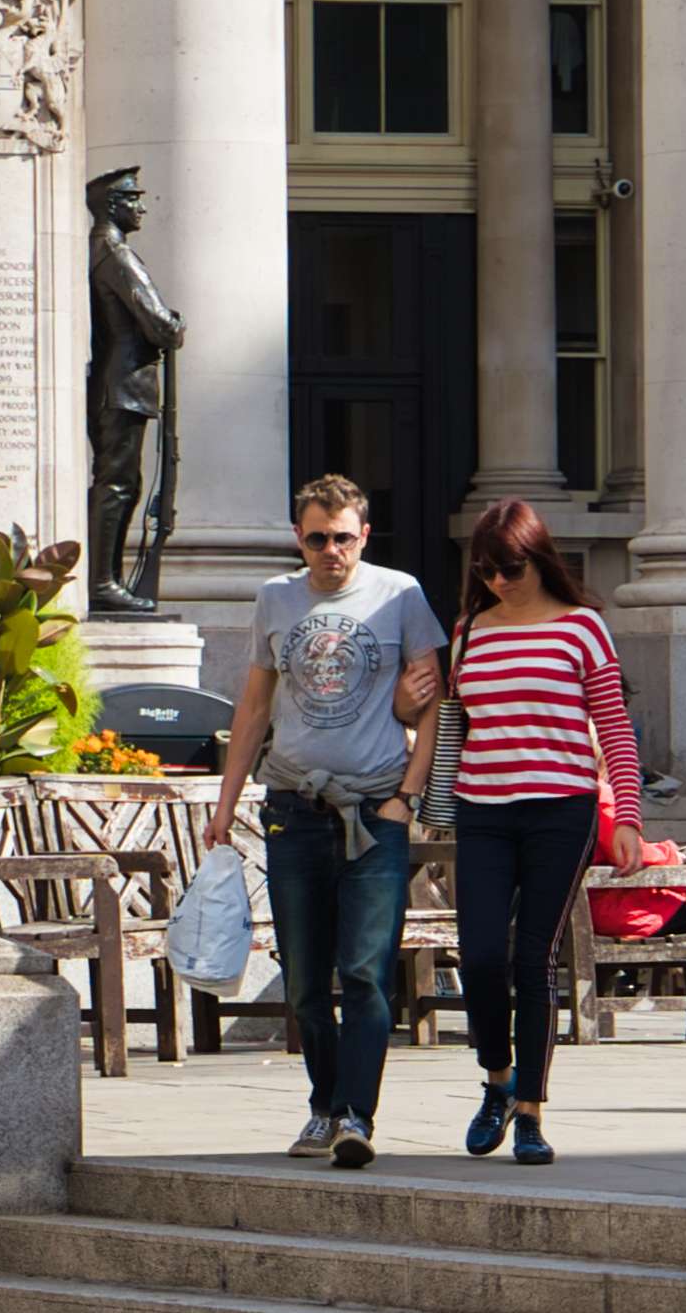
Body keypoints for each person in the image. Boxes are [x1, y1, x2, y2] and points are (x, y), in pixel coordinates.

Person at [213, 471, 443, 1170]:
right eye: (317, 539)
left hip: (375, 809)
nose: (331, 551)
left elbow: (433, 701)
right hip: (292, 806)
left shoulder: (400, 593)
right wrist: (226, 803)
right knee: (306, 980)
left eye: (343, 538)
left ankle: (355, 1115)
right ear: (298, 538)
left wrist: (409, 796)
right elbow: (255, 705)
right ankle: (324, 1104)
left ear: (364, 535)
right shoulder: (276, 598)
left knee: (366, 972)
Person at [440, 495, 638, 1168]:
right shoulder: (470, 630)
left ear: (539, 558)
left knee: (534, 959)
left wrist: (628, 816)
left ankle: (530, 1111)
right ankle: (496, 1080)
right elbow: (455, 722)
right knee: (479, 957)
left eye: (512, 567)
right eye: (486, 569)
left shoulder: (582, 628)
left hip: (562, 810)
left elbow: (614, 727)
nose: (499, 580)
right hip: (482, 810)